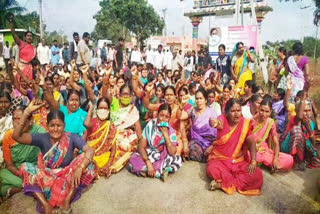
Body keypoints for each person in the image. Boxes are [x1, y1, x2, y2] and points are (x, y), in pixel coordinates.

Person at [12, 100, 95, 214]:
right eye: (52, 125)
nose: (55, 129)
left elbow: (90, 150)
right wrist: (27, 112)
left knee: (88, 163)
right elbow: (16, 137)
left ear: (64, 126)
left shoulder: (71, 137)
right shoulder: (42, 138)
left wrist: (80, 167)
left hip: (67, 177)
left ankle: (67, 199)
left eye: (59, 125)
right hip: (46, 177)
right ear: (47, 126)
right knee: (25, 167)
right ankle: (46, 205)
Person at [206, 98, 263, 195]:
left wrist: (253, 161)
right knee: (212, 169)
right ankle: (233, 183)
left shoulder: (245, 123)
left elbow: (251, 141)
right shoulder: (222, 118)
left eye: (238, 110)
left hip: (238, 162)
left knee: (257, 175)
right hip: (220, 160)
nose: (237, 114)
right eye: (233, 111)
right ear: (227, 112)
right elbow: (219, 123)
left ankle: (223, 184)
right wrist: (215, 123)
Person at [127, 103, 182, 181]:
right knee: (133, 159)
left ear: (169, 118)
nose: (163, 119)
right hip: (149, 154)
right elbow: (141, 146)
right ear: (157, 115)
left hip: (163, 156)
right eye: (161, 115)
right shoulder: (150, 125)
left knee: (178, 160)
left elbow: (172, 152)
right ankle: (158, 172)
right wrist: (148, 162)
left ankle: (149, 171)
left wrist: (166, 136)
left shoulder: (170, 130)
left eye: (166, 117)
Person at [0, 105, 46, 198]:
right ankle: (24, 186)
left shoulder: (39, 131)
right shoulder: (8, 136)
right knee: (2, 175)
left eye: (20, 119)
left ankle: (21, 188)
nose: (16, 123)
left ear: (30, 121)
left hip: (36, 169)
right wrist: (22, 175)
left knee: (41, 179)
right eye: (14, 119)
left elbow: (47, 156)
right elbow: (9, 165)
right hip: (18, 171)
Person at [251, 97, 294, 172]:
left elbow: (276, 142)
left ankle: (270, 163)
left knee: (289, 159)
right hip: (252, 150)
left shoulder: (270, 122)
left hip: (264, 151)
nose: (264, 114)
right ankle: (266, 163)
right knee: (252, 156)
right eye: (262, 110)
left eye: (267, 111)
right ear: (258, 109)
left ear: (270, 112)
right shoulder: (251, 121)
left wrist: (275, 159)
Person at [84, 98, 121, 177]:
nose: (103, 110)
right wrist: (90, 109)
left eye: (105, 108)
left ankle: (104, 168)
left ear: (108, 110)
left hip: (104, 156)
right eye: (101, 108)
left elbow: (113, 148)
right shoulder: (93, 122)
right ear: (97, 109)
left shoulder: (110, 125)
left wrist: (108, 164)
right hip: (91, 155)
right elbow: (86, 124)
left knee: (118, 159)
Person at [182, 88, 218, 162]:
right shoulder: (193, 110)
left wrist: (211, 147)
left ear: (205, 100)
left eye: (201, 98)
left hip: (210, 142)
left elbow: (216, 133)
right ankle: (204, 156)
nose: (199, 101)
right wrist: (182, 105)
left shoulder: (212, 113)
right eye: (197, 99)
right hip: (196, 141)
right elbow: (181, 116)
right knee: (192, 150)